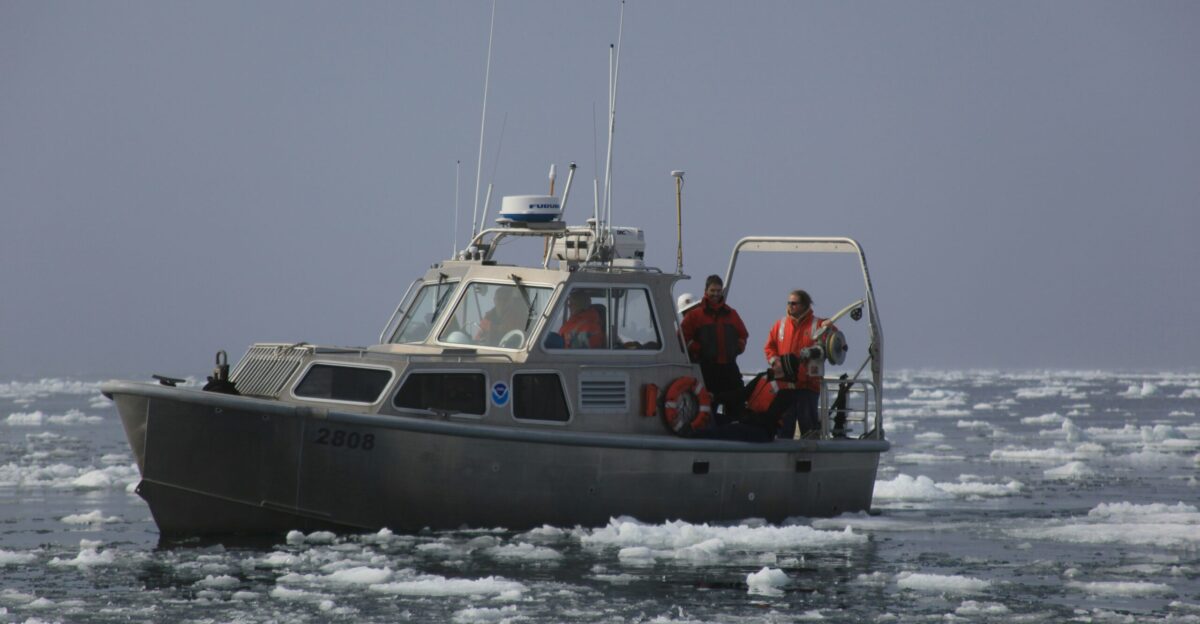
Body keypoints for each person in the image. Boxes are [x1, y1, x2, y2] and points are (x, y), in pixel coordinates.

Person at [764, 289, 834, 439]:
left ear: (804, 305)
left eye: (794, 303)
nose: (790, 306)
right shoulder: (780, 325)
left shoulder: (818, 325)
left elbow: (834, 344)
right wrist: (775, 362)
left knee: (809, 431)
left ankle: (811, 459)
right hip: (785, 386)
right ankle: (783, 459)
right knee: (783, 430)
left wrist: (830, 328)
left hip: (807, 386)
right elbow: (769, 347)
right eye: (789, 303)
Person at [680, 275, 748, 425]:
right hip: (707, 368)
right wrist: (698, 349)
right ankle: (707, 433)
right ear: (706, 291)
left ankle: (736, 433)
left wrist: (738, 348)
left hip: (729, 367)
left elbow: (743, 334)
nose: (715, 294)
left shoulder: (732, 314)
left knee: (736, 402)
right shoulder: (695, 316)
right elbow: (682, 336)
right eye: (712, 290)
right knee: (707, 405)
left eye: (718, 290)